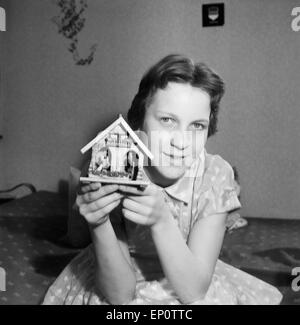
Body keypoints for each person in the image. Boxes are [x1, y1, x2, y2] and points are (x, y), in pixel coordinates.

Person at [43, 54, 282, 305]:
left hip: (188, 272)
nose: (181, 142)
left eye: (197, 126)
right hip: (119, 278)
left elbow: (194, 292)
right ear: (139, 122)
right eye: (167, 120)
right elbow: (119, 295)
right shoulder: (116, 166)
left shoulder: (215, 175)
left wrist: (160, 220)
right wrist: (99, 223)